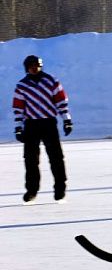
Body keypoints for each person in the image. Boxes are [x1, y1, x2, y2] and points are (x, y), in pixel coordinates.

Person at [13, 55, 73, 203]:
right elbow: (18, 107)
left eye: (37, 65)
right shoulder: (22, 86)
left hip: (48, 123)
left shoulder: (51, 81)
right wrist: (18, 127)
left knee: (56, 157)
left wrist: (66, 120)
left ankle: (60, 187)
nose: (35, 68)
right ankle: (32, 190)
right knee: (30, 159)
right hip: (31, 125)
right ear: (26, 68)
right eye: (32, 66)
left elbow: (61, 101)